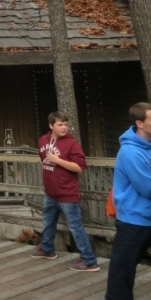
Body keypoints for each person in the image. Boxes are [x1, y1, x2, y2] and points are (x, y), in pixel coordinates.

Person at [103, 102, 151, 300]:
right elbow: (148, 188)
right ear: (140, 123)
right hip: (134, 221)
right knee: (122, 270)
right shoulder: (130, 152)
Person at [29, 111, 99, 272]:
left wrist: (58, 161)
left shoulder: (72, 144)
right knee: (48, 222)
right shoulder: (43, 140)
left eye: (66, 124)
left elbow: (80, 167)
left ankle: (89, 260)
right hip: (50, 192)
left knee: (75, 226)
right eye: (60, 124)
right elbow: (42, 159)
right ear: (51, 126)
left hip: (67, 193)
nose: (64, 127)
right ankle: (47, 249)